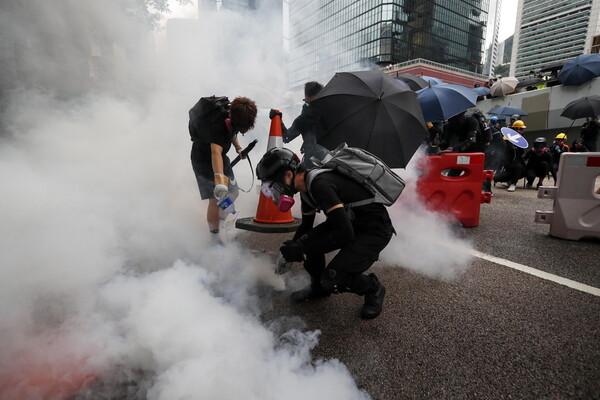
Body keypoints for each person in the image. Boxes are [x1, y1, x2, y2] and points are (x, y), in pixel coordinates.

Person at [256, 147, 393, 319]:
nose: (274, 194)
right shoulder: (306, 190)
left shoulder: (320, 185)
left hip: (373, 230)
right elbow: (306, 226)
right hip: (349, 223)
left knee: (333, 279)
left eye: (273, 187)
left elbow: (345, 235)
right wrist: (292, 251)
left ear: (288, 175)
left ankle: (374, 288)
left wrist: (302, 252)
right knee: (305, 242)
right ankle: (318, 288)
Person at [190, 96, 257, 246]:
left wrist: (238, 148)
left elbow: (232, 132)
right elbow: (215, 152)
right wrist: (219, 180)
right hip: (203, 159)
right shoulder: (216, 124)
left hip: (221, 156)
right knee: (215, 199)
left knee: (233, 192)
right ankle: (214, 239)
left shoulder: (233, 116)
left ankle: (219, 221)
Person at [275, 81, 326, 166]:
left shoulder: (331, 113)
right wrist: (279, 121)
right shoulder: (303, 119)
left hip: (331, 160)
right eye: (309, 103)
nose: (312, 107)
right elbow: (286, 137)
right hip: (311, 163)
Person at [483, 116, 505, 193]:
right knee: (487, 168)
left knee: (488, 169)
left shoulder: (488, 128)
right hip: (496, 150)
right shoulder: (495, 129)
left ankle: (487, 189)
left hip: (495, 151)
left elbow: (487, 141)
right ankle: (484, 186)